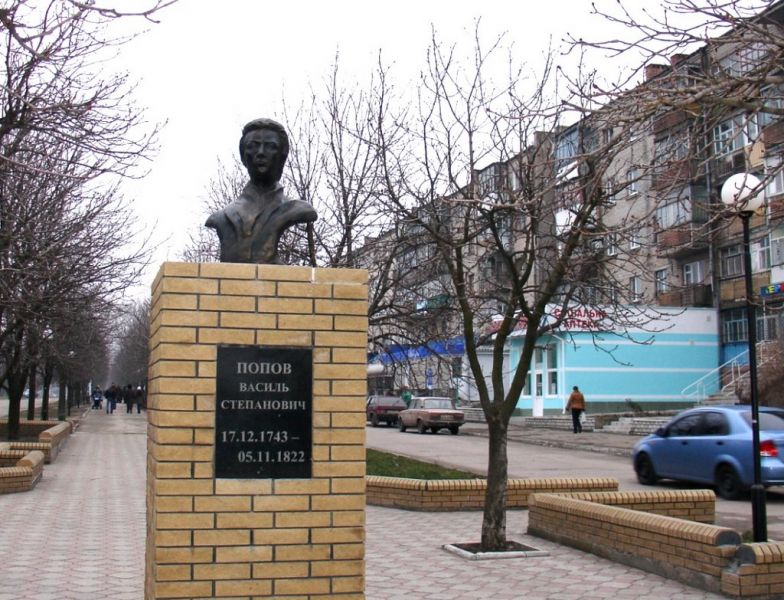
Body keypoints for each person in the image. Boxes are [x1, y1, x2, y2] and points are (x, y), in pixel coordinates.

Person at [205, 118, 318, 264]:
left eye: (270, 146)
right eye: (253, 146)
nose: (261, 153)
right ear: (243, 156)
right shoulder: (221, 217)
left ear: (282, 156)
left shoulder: (297, 209)